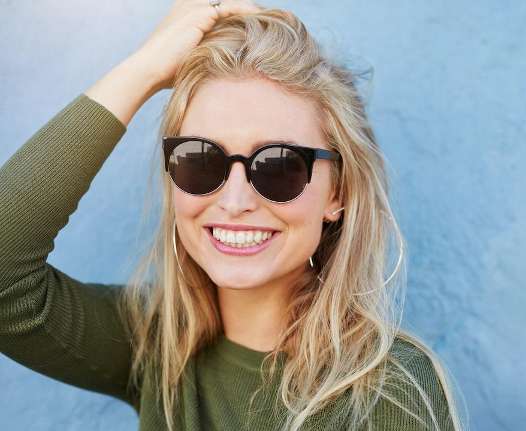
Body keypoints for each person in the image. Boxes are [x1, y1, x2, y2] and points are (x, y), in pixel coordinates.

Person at [0, 1, 465, 430]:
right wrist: (144, 67)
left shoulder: (388, 392)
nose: (234, 199)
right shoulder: (157, 345)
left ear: (337, 193)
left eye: (280, 164)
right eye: (200, 160)